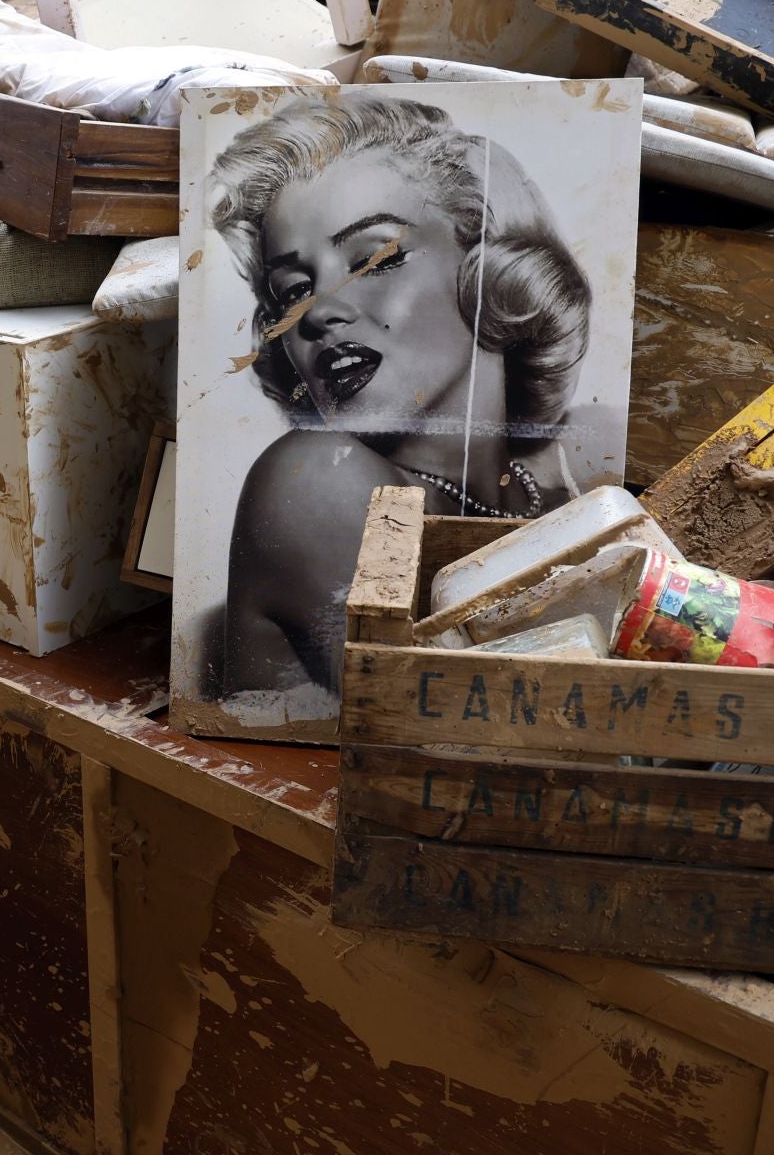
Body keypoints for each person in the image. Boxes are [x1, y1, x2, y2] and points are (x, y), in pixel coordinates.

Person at [208, 96, 592, 702]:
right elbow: (455, 731)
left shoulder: (557, 481)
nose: (321, 312)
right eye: (293, 290)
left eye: (373, 259)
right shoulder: (314, 477)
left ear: (485, 267)